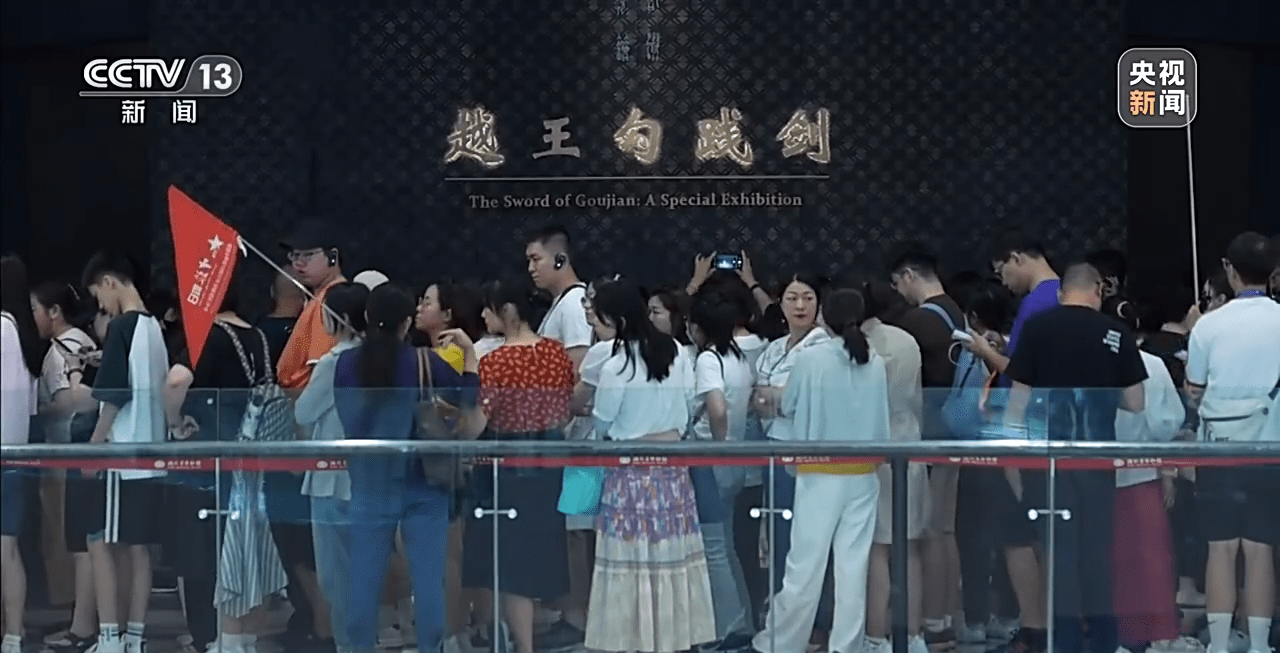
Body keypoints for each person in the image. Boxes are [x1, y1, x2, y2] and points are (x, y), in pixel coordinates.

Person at [1001, 262, 1148, 653]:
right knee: (1097, 554)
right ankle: (1102, 641)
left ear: (1062, 291)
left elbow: (1017, 403)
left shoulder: (1037, 328)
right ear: (1098, 290)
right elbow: (1136, 402)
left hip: (1048, 461)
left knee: (1058, 554)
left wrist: (1012, 460)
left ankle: (1063, 641)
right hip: (1097, 459)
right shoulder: (1116, 332)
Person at [334, 283, 481, 653]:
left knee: (363, 579)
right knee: (429, 580)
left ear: (367, 317)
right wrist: (470, 356)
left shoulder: (346, 364)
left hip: (369, 482)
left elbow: (348, 420)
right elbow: (466, 401)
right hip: (424, 482)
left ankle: (359, 646)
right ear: (406, 323)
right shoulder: (425, 362)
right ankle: (430, 646)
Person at [750, 288, 888, 653]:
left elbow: (790, 403)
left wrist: (770, 397)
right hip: (863, 473)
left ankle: (781, 642)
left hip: (820, 472)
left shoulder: (812, 359)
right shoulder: (873, 359)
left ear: (825, 315)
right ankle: (847, 645)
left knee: (804, 566)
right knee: (852, 569)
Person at [585, 278, 715, 653]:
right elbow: (689, 408)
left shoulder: (617, 365)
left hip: (628, 472)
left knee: (630, 563)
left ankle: (632, 641)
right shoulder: (677, 351)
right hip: (673, 471)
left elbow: (603, 424)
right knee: (672, 558)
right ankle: (674, 639)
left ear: (617, 319)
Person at [460, 277, 575, 653]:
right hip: (551, 465)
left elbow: (476, 424)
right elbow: (565, 411)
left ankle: (521, 644)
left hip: (507, 469)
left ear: (507, 311)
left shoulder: (496, 361)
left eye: (489, 307)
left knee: (511, 563)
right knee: (541, 550)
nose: (482, 314)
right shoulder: (556, 353)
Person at [1184, 233, 1280, 653]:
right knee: (1261, 551)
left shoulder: (1208, 325)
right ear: (1273, 272)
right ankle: (1259, 645)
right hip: (1270, 451)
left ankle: (1219, 645)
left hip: (1218, 451)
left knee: (1219, 550)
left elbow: (1195, 388)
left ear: (1229, 269)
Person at [81, 251, 170, 653]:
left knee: (100, 542)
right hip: (152, 451)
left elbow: (114, 394)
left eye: (98, 294)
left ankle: (109, 638)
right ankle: (134, 637)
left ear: (109, 282)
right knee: (139, 549)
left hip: (122, 452)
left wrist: (94, 446)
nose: (100, 304)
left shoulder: (121, 326)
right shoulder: (153, 327)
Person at [888, 249, 965, 647]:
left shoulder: (918, 321)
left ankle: (932, 621)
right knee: (945, 529)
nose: (898, 292)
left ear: (908, 275)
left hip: (929, 432)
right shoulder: (955, 311)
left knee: (930, 531)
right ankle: (945, 617)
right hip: (955, 430)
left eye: (897, 283)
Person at [525, 225, 593, 649]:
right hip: (562, 434)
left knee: (576, 528)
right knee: (568, 527)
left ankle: (578, 614)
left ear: (560, 259)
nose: (531, 268)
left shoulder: (573, 307)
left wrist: (556, 416)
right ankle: (572, 609)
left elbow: (578, 372)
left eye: (536, 259)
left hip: (577, 437)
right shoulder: (561, 306)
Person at [296, 282, 369, 653]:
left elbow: (304, 411)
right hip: (369, 479)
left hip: (331, 480)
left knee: (335, 575)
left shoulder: (332, 362)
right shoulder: (380, 358)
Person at [1, 255, 42, 653]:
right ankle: (13, 634)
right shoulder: (26, 336)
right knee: (8, 548)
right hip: (18, 452)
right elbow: (31, 407)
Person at [277, 217, 347, 390]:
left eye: (308, 255)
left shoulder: (332, 299)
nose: (298, 263)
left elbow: (321, 368)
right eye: (295, 255)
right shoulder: (321, 296)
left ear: (333, 256)